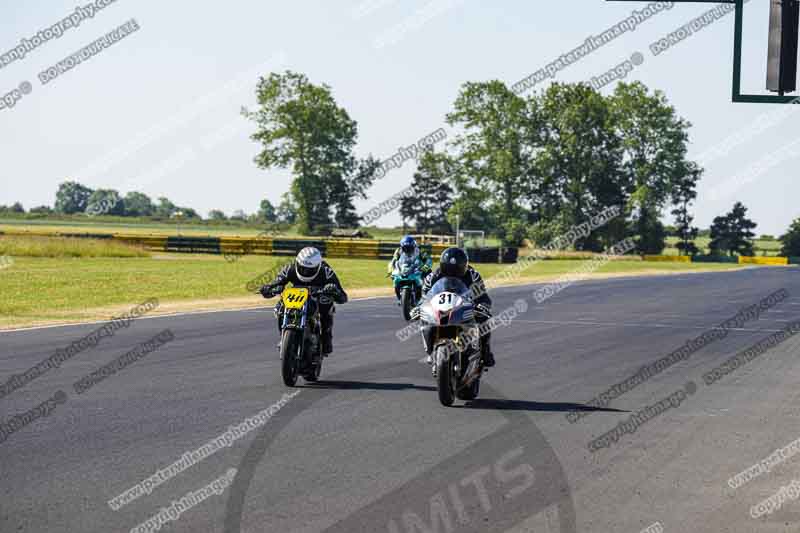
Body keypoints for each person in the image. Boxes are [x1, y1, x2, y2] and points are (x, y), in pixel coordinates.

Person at [412, 247, 495, 367]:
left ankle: (486, 352)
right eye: (449, 270)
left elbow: (483, 296)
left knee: (484, 319)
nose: (453, 273)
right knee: (424, 319)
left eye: (457, 270)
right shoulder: (433, 276)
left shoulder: (473, 276)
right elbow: (424, 296)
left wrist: (483, 305)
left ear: (465, 266)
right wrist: (419, 307)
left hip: (464, 306)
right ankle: (430, 350)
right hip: (441, 307)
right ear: (442, 266)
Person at [259, 247, 347, 356]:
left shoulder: (326, 271)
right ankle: (283, 337)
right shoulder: (289, 268)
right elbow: (275, 283)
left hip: (317, 295)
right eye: (302, 268)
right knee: (280, 307)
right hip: (296, 296)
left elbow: (343, 297)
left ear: (318, 267)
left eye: (310, 269)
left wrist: (334, 290)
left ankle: (326, 339)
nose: (305, 271)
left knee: (327, 304)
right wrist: (267, 289)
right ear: (297, 263)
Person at [387, 235, 432, 300]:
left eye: (409, 247)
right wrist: (390, 270)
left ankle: (426, 294)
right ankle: (399, 296)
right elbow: (393, 261)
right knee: (395, 278)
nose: (407, 249)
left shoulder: (420, 250)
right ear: (402, 247)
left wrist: (424, 268)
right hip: (403, 268)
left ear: (414, 246)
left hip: (416, 268)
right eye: (405, 248)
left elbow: (429, 260)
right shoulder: (398, 251)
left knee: (429, 275)